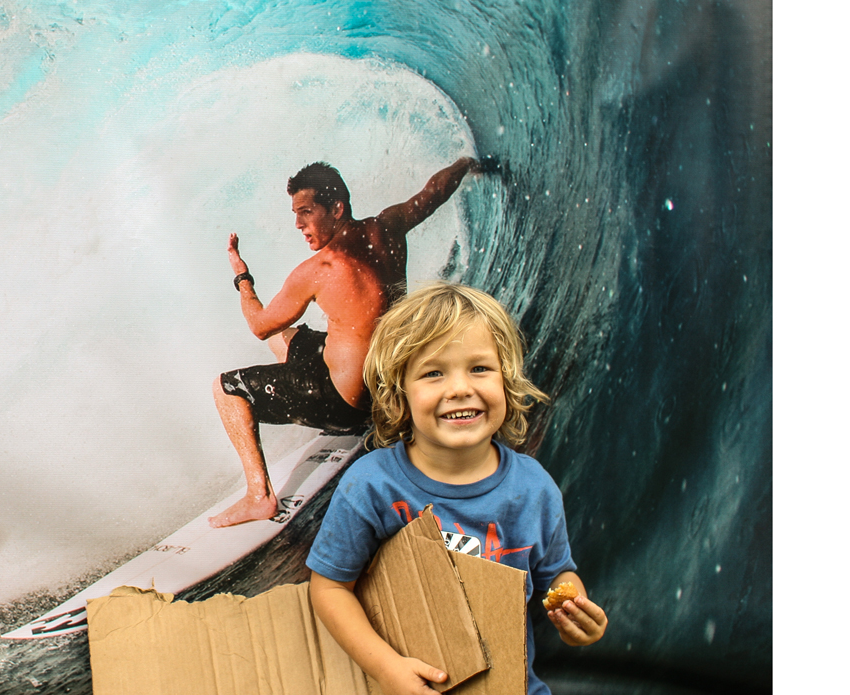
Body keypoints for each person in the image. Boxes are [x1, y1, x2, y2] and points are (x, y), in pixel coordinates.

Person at [306, 283, 608, 695]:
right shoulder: (372, 485)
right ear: (400, 394)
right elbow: (328, 588)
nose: (460, 388)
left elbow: (556, 574)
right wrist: (388, 669)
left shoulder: (534, 488)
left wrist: (572, 612)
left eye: (480, 368)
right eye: (433, 373)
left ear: (507, 379)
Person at [210, 158, 481, 528]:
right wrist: (465, 164)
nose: (298, 225)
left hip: (348, 406)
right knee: (285, 336)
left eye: (306, 213)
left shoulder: (320, 270)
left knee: (226, 389)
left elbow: (258, 325)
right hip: (388, 389)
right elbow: (434, 192)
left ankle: (259, 496)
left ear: (336, 208)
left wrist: (241, 275)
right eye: (295, 214)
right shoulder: (389, 226)